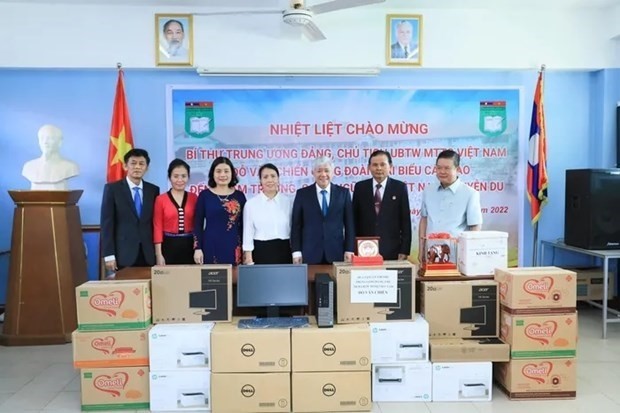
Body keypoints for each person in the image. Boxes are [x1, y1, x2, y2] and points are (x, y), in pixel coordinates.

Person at [418, 149, 483, 264]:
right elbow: (424, 220)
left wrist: (471, 256)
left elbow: (475, 227)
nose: (442, 171)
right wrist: (421, 250)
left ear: (458, 169)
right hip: (431, 254)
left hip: (457, 256)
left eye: (447, 168)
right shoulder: (428, 191)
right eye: (438, 168)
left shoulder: (470, 193)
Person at [101, 148, 160, 271]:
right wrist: (109, 255)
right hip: (123, 254)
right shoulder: (112, 189)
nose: (137, 167)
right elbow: (107, 223)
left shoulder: (153, 190)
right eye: (133, 163)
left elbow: (155, 223)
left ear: (147, 167)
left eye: (141, 163)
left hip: (147, 253)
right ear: (125, 166)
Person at [291, 156, 355, 265]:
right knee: (309, 282)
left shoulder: (343, 193)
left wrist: (349, 249)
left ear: (333, 173)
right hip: (310, 253)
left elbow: (349, 224)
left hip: (336, 252)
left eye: (326, 171)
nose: (323, 174)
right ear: (313, 173)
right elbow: (296, 226)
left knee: (337, 282)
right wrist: (296, 252)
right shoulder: (302, 194)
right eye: (319, 171)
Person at [352, 150, 412, 260]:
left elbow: (405, 222)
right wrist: (353, 248)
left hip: (392, 250)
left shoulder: (399, 188)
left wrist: (404, 250)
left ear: (390, 166)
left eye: (382, 164)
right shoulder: (360, 188)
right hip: (364, 250)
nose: (378, 168)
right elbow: (354, 221)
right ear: (369, 167)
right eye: (375, 165)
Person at [194, 157, 246, 265]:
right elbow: (197, 224)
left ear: (232, 173)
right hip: (210, 246)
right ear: (212, 173)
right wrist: (197, 248)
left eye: (226, 171)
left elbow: (244, 225)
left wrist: (246, 250)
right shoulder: (205, 195)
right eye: (218, 171)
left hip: (234, 246)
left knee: (234, 280)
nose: (222, 175)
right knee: (212, 280)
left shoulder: (239, 196)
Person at [243, 163, 293, 265]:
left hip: (285, 250)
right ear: (260, 181)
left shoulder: (288, 202)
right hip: (260, 251)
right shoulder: (251, 204)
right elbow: (248, 232)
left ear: (278, 179)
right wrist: (248, 257)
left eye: (273, 176)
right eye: (265, 177)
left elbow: (294, 229)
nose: (270, 180)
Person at [153, 159, 198, 265]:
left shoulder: (194, 198)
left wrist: (197, 248)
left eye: (183, 176)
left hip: (190, 246)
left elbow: (198, 225)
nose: (180, 180)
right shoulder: (161, 199)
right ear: (169, 177)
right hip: (168, 246)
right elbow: (157, 227)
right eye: (176, 176)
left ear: (188, 177)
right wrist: (158, 254)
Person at [22, 124, 79, 190]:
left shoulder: (70, 167)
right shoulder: (29, 167)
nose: (45, 142)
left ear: (59, 142)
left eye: (50, 138)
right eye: (42, 138)